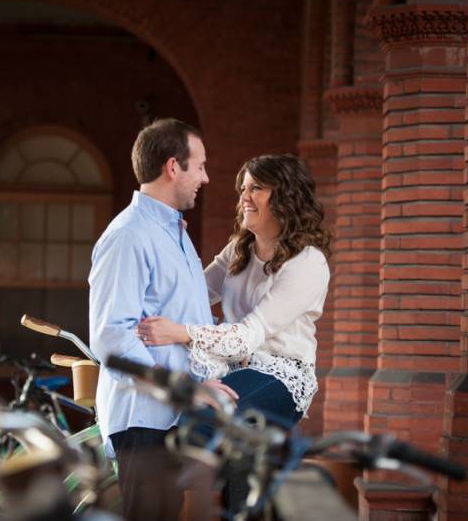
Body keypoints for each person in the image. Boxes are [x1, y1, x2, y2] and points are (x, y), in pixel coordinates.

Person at [136, 154, 332, 512]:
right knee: (185, 426)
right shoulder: (240, 248)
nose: (244, 196)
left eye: (256, 187)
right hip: (232, 367)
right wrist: (141, 310)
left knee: (203, 428)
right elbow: (192, 294)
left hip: (281, 374)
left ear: (286, 196)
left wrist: (178, 332)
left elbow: (247, 335)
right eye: (243, 187)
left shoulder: (308, 263)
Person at [88, 118, 235, 520]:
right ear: (173, 167)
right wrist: (188, 389)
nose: (205, 178)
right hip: (144, 419)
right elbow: (112, 338)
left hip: (173, 420)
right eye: (200, 166)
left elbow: (186, 315)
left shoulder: (176, 233)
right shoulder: (130, 235)